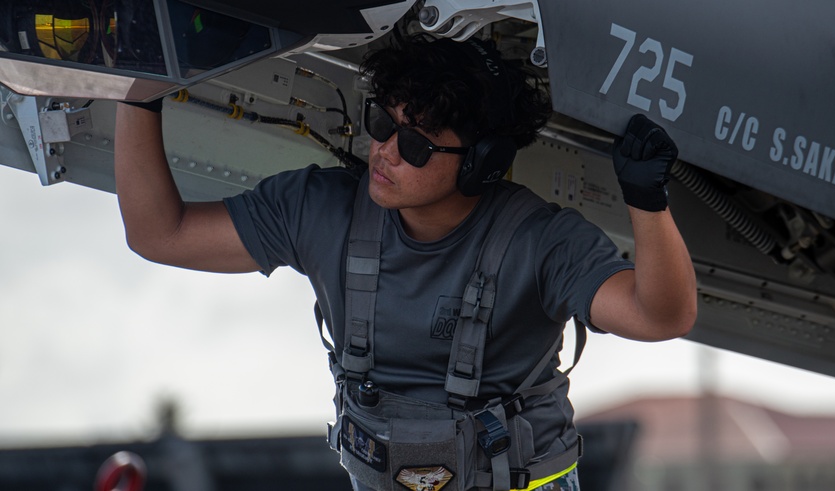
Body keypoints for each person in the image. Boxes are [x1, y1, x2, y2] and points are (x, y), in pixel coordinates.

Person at [114, 36, 697, 491]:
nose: (385, 151)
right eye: (382, 125)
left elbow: (659, 316)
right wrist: (139, 94)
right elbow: (160, 233)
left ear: (481, 164)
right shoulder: (322, 211)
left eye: (415, 144)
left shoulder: (540, 243)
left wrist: (648, 202)